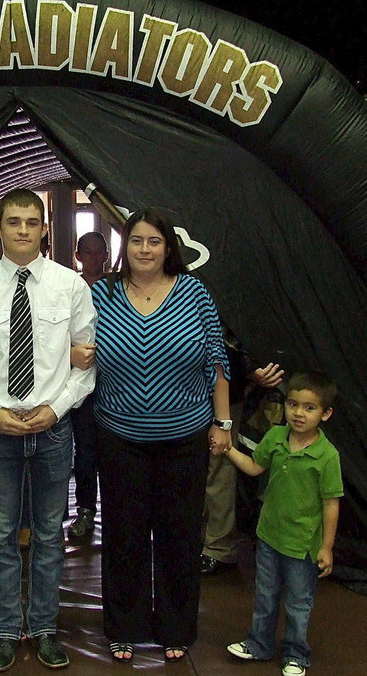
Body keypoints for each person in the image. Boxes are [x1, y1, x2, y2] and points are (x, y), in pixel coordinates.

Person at [0, 188, 96, 672]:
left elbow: (86, 363)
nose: (24, 230)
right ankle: (7, 630)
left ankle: (47, 628)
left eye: (33, 221)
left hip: (53, 429)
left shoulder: (71, 286)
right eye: (14, 221)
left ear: (45, 228)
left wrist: (58, 408)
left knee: (51, 536)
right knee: (2, 535)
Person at [74, 207, 230, 664]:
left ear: (168, 248)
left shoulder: (195, 293)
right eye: (137, 241)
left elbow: (216, 359)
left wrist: (222, 423)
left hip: (185, 437)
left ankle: (176, 627)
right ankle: (124, 625)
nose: (145, 249)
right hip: (119, 435)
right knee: (123, 534)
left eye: (154, 241)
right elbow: (71, 344)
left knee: (179, 535)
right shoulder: (100, 293)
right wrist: (76, 352)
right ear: (126, 246)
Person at [218, 370, 343, 676]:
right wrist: (228, 449)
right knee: (265, 594)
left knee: (299, 603)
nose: (298, 413)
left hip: (302, 547)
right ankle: (259, 644)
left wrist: (326, 547)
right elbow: (253, 467)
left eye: (309, 407)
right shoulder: (275, 437)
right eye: (292, 404)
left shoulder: (327, 457)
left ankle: (296, 655)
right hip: (269, 537)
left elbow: (331, 504)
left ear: (325, 414)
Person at [201, 329, 284, 575]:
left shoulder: (225, 296)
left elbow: (235, 332)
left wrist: (249, 368)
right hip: (182, 394)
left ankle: (217, 546)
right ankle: (197, 539)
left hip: (225, 393)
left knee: (218, 468)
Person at [67, 232, 109, 539]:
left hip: (114, 384)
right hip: (78, 382)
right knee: (84, 450)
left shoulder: (118, 289)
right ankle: (85, 510)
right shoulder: (69, 288)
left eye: (99, 253)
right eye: (88, 253)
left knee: (114, 452)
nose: (94, 258)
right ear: (78, 255)